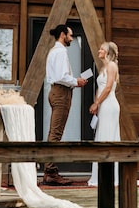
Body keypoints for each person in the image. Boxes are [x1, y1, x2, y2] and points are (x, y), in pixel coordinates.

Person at [43, 24, 88, 186]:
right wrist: (77, 81)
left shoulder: (54, 51)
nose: (71, 37)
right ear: (63, 35)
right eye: (70, 35)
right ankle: (51, 172)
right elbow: (62, 76)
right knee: (56, 133)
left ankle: (50, 170)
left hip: (57, 91)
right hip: (61, 93)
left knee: (54, 132)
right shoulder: (61, 51)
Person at [88, 41, 120, 186]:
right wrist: (96, 104)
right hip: (102, 105)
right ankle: (100, 174)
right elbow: (99, 88)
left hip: (110, 105)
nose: (99, 50)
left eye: (102, 49)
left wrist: (97, 103)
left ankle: (110, 175)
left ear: (108, 52)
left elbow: (108, 88)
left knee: (108, 136)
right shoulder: (103, 67)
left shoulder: (112, 66)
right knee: (101, 135)